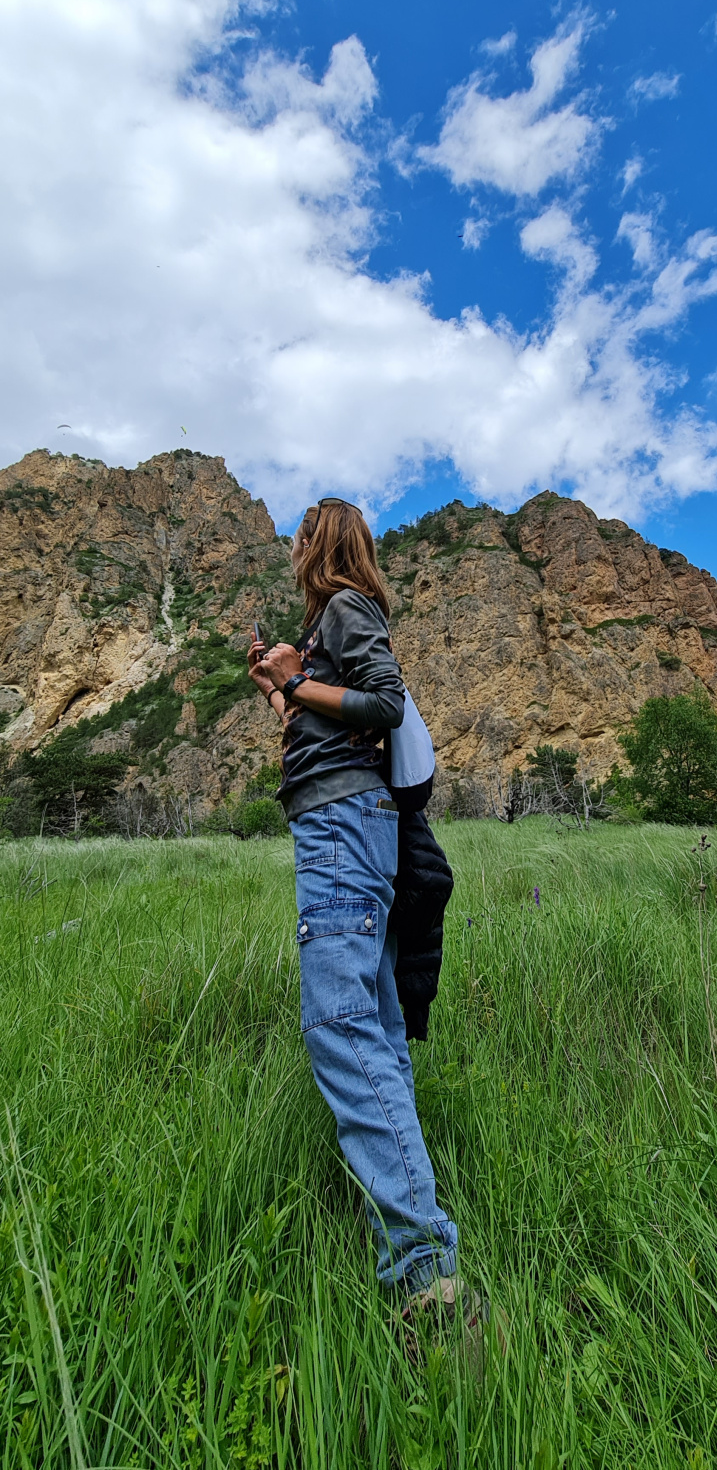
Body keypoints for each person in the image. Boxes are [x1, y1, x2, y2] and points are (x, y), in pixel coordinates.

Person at [246, 498, 468, 1320]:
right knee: (369, 1025)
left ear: (321, 542)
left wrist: (299, 679)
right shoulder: (325, 626)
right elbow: (324, 723)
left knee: (338, 1024)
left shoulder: (344, 606)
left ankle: (422, 1270)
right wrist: (281, 687)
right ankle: (422, 1252)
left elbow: (383, 702)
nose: (293, 544)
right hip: (342, 820)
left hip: (343, 825)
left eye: (302, 533)